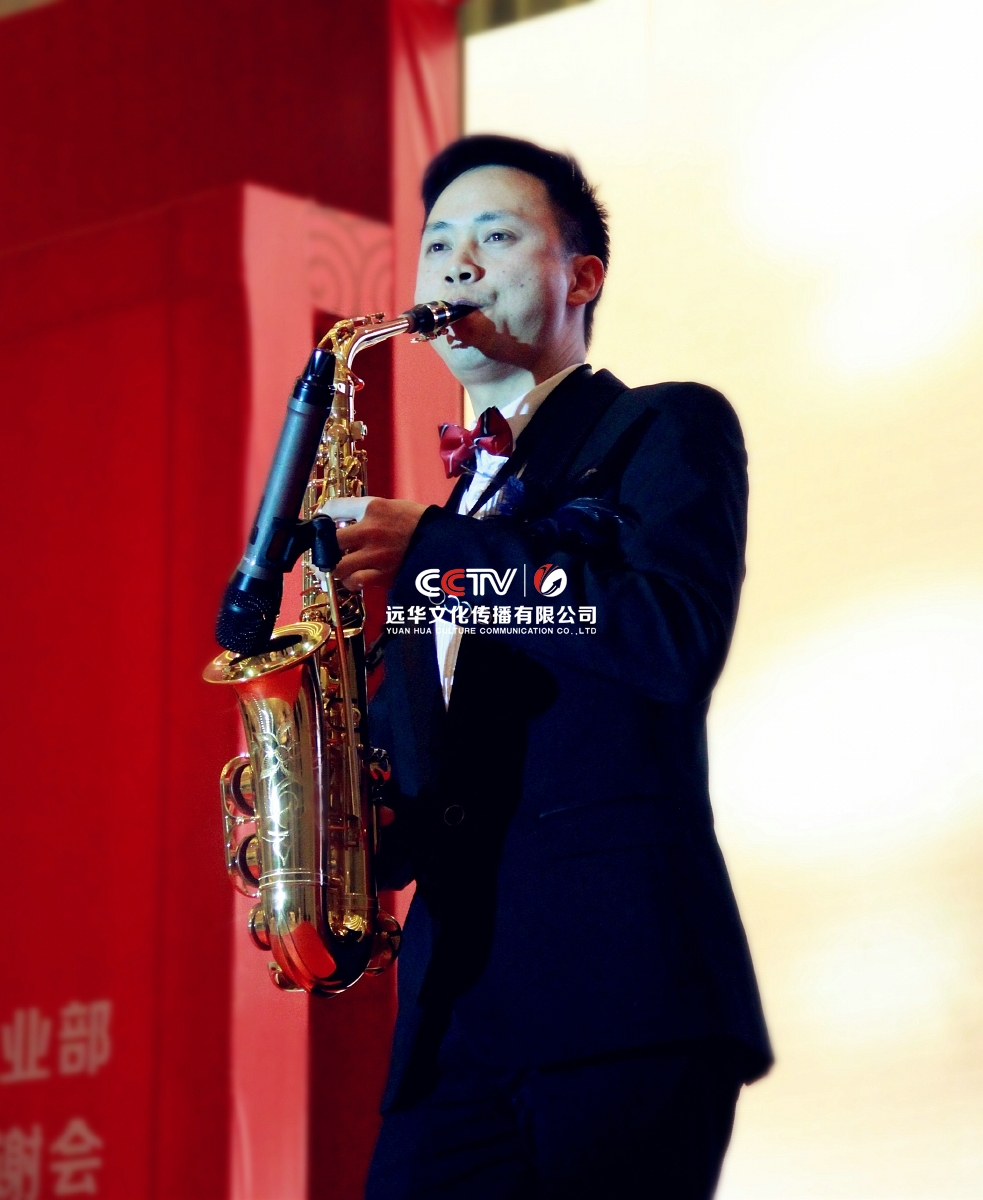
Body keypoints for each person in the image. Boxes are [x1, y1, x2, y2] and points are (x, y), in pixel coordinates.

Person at [332, 135, 772, 1200]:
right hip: (452, 1028)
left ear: (581, 277)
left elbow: (667, 637)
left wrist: (442, 555)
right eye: (437, 243)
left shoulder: (661, 424)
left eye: (494, 236)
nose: (456, 263)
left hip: (621, 995)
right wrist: (341, 821)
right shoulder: (449, 517)